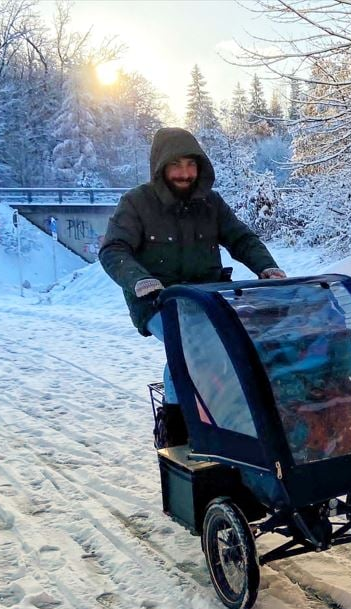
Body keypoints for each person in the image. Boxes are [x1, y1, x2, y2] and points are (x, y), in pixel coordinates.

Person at [99, 127, 286, 447]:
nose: (185, 173)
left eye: (191, 164)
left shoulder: (211, 203)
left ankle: (238, 411)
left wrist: (266, 267)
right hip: (158, 300)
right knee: (188, 342)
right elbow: (113, 249)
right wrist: (139, 279)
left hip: (209, 297)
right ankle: (173, 420)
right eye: (176, 165)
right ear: (160, 167)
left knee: (252, 337)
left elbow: (241, 238)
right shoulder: (136, 203)